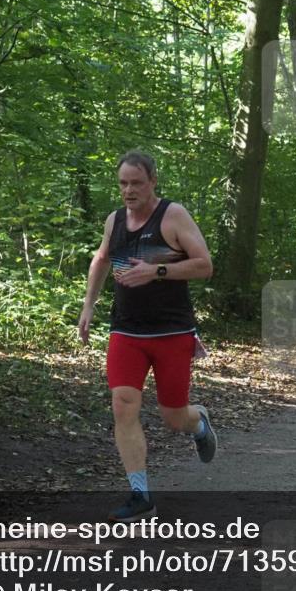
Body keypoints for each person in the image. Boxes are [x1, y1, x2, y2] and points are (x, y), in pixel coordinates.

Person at [79, 150, 217, 522]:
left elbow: (204, 265)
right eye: (123, 183)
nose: (129, 191)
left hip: (172, 331)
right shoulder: (114, 221)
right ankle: (141, 495)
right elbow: (102, 258)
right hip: (126, 329)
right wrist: (88, 305)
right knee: (123, 404)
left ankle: (198, 423)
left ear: (153, 181)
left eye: (136, 183)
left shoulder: (173, 216)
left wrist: (156, 271)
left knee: (173, 417)